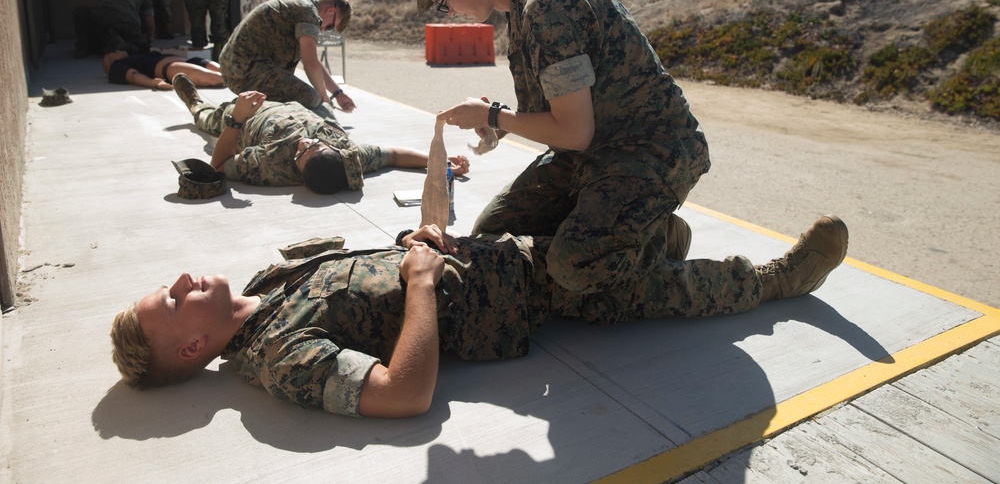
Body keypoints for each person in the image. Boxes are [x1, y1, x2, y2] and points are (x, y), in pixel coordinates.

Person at [109, 118, 850, 417]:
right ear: (189, 349)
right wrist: (424, 282)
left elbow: (371, 271)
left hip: (486, 250)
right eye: (171, 302)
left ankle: (651, 238)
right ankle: (776, 278)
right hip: (523, 296)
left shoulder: (267, 286)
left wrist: (415, 241)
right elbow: (405, 393)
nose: (180, 282)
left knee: (569, 157)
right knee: (643, 288)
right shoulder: (282, 359)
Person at [394, 0, 711, 297]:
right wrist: (495, 118)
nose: (450, 14)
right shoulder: (522, 6)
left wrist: (494, 116)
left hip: (650, 151)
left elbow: (575, 132)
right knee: (492, 233)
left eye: (443, 4)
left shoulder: (547, 6)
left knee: (574, 266)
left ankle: (661, 238)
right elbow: (565, 114)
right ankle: (612, 226)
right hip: (595, 149)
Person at [171, 73, 469, 193]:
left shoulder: (271, 167)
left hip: (249, 117)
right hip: (289, 103)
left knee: (210, 121)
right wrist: (439, 163)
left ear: (298, 172)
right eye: (314, 144)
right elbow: (393, 155)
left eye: (301, 152)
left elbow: (218, 166)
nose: (305, 142)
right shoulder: (347, 155)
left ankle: (195, 103)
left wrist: (236, 119)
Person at [219, 0, 356, 120]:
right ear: (330, 11)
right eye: (330, 27)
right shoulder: (308, 14)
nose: (323, 29)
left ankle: (246, 110)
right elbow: (310, 64)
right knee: (311, 98)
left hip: (237, 69)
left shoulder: (302, 6)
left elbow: (313, 61)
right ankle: (234, 113)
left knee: (306, 96)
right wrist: (324, 100)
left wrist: (337, 93)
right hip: (245, 72)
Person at [81, 0, 156, 56]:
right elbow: (151, 26)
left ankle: (87, 46)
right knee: (143, 48)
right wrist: (149, 39)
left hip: (98, 13)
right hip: (124, 18)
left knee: (102, 31)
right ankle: (123, 47)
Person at [101, 50, 224, 90]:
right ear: (109, 64)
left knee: (228, 71)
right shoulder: (117, 65)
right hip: (169, 68)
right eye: (111, 54)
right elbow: (132, 76)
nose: (116, 51)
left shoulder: (136, 55)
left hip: (187, 61)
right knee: (217, 78)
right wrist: (154, 83)